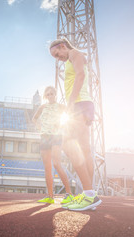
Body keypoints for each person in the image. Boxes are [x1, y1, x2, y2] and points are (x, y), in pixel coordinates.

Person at [48, 38, 102, 211]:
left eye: (57, 54)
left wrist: (70, 103)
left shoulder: (75, 54)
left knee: (68, 145)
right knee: (84, 150)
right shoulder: (69, 59)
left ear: (63, 46)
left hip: (78, 104)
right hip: (83, 104)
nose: (58, 58)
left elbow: (81, 75)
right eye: (55, 57)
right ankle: (90, 194)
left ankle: (88, 194)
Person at [32, 86, 74, 205]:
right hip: (44, 137)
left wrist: (62, 127)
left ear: (55, 95)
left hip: (56, 136)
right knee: (47, 168)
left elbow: (71, 115)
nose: (50, 96)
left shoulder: (61, 107)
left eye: (52, 94)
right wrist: (40, 127)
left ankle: (69, 194)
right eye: (48, 94)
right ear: (45, 96)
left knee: (56, 163)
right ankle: (50, 196)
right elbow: (34, 119)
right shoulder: (42, 107)